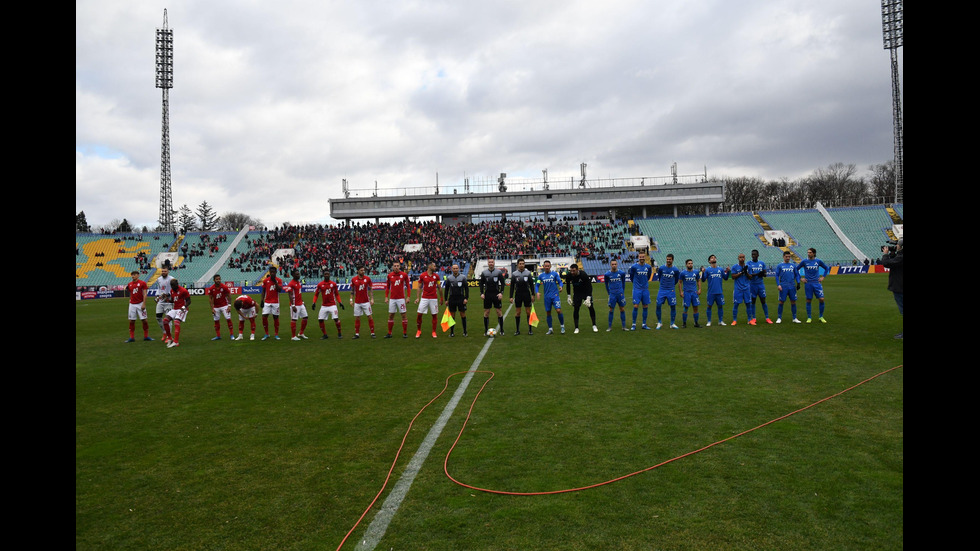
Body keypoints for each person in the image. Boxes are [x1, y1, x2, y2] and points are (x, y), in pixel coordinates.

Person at [797, 248, 830, 323]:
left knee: (821, 299)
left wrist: (823, 277)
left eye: (810, 252)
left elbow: (826, 268)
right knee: (808, 300)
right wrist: (801, 278)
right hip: (808, 283)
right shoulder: (804, 261)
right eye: (808, 252)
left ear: (814, 253)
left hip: (817, 283)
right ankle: (809, 317)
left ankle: (821, 316)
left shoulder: (818, 261)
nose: (808, 254)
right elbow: (796, 269)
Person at [880, 239, 903, 339]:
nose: (896, 246)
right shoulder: (900, 256)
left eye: (897, 245)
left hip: (900, 287)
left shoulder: (901, 257)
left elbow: (887, 263)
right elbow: (894, 262)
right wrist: (893, 252)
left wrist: (885, 254)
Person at [564, 263, 598, 333]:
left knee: (591, 307)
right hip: (577, 293)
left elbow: (589, 286)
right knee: (576, 309)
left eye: (573, 271)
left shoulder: (583, 275)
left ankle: (594, 325)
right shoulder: (569, 275)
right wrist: (569, 296)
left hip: (586, 292)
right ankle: (576, 328)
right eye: (571, 271)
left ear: (577, 270)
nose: (572, 272)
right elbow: (567, 285)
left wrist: (588, 297)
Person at [311, 269, 343, 339]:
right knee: (320, 320)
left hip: (332, 305)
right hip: (324, 305)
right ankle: (325, 335)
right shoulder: (320, 284)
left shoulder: (333, 284)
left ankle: (339, 333)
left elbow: (337, 294)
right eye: (325, 274)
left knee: (336, 319)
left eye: (327, 274)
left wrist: (340, 302)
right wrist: (314, 302)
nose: (326, 275)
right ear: (323, 275)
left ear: (329, 275)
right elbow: (316, 294)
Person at [535, 260, 565, 334]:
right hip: (547, 297)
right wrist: (537, 292)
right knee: (548, 312)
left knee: (558, 310)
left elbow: (560, 281)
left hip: (555, 295)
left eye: (548, 266)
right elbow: (537, 285)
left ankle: (562, 326)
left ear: (550, 266)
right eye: (546, 266)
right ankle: (550, 329)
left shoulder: (554, 274)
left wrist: (561, 286)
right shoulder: (541, 276)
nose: (547, 267)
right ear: (543, 267)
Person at [479, 258, 506, 336]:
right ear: (488, 263)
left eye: (492, 262)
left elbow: (503, 283)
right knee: (486, 313)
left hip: (496, 294)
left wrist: (501, 293)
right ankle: (486, 330)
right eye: (489, 262)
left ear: (494, 263)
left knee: (499, 312)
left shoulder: (498, 272)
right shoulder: (484, 273)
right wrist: (481, 293)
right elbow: (481, 284)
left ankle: (501, 330)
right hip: (487, 295)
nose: (491, 263)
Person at [414, 261, 441, 339]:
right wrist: (417, 297)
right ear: (430, 267)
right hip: (424, 298)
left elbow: (439, 287)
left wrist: (442, 298)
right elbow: (419, 287)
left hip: (434, 298)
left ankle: (434, 331)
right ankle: (419, 330)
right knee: (419, 314)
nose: (435, 267)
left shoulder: (436, 276)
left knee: (434, 315)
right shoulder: (422, 275)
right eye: (434, 266)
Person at [384, 261, 410, 338]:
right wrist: (386, 297)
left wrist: (408, 297)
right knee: (391, 315)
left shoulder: (404, 275)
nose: (396, 267)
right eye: (395, 266)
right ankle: (389, 333)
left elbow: (408, 286)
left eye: (397, 266)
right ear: (392, 267)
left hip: (401, 299)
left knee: (403, 315)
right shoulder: (389, 275)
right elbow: (387, 287)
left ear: (399, 266)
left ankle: (405, 333)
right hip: (392, 299)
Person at [654, 253, 681, 329]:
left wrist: (671, 286)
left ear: (672, 260)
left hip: (671, 290)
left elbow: (676, 280)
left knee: (673, 306)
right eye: (667, 259)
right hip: (662, 289)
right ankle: (659, 322)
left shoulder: (675, 270)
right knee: (658, 305)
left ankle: (672, 323)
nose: (668, 260)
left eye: (670, 259)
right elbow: (659, 277)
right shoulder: (662, 268)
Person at [509, 258, 535, 335]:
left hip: (526, 294)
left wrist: (533, 294)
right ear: (517, 265)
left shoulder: (528, 273)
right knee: (518, 313)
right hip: (518, 294)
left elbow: (531, 285)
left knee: (528, 312)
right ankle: (517, 330)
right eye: (520, 264)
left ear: (524, 264)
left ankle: (530, 330)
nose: (521, 265)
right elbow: (512, 286)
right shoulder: (514, 274)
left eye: (523, 263)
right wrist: (511, 296)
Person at [628, 251, 654, 330]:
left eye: (643, 257)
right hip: (637, 289)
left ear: (645, 257)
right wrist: (636, 285)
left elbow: (649, 276)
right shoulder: (634, 267)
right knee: (636, 306)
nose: (642, 258)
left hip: (645, 289)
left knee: (645, 306)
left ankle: (644, 324)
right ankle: (633, 324)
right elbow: (631, 277)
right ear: (638, 257)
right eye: (640, 257)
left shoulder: (648, 267)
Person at [774, 250, 802, 324]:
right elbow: (776, 275)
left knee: (793, 301)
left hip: (792, 286)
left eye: (789, 257)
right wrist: (778, 284)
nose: (788, 258)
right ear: (783, 257)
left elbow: (796, 274)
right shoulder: (780, 265)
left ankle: (794, 318)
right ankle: (779, 318)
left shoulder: (793, 265)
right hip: (783, 286)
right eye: (786, 257)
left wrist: (798, 283)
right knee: (781, 301)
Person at [442, 263, 470, 337]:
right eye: (454, 268)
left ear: (458, 269)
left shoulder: (463, 277)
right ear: (452, 269)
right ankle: (451, 332)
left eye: (456, 268)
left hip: (461, 298)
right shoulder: (449, 278)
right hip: (452, 299)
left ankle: (465, 331)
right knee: (452, 315)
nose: (455, 269)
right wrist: (446, 299)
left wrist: (466, 298)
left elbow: (466, 289)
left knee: (462, 314)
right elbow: (446, 290)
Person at [125, 270, 152, 342]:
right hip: (132, 304)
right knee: (131, 321)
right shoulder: (130, 284)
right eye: (132, 275)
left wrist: (144, 303)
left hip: (140, 303)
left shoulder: (142, 283)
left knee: (144, 320)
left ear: (138, 275)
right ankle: (131, 337)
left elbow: (145, 294)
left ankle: (146, 336)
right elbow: (131, 293)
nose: (133, 276)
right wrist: (130, 299)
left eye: (134, 274)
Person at [746, 249, 772, 325]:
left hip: (760, 285)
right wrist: (758, 274)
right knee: (753, 301)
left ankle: (767, 318)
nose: (753, 256)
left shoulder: (762, 263)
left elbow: (765, 274)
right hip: (752, 285)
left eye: (755, 254)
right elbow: (749, 275)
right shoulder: (748, 263)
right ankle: (754, 318)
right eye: (752, 254)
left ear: (758, 255)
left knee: (763, 301)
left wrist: (762, 274)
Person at [163, 278, 191, 348]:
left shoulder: (183, 290)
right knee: (165, 321)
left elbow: (189, 301)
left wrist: (184, 307)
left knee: (176, 322)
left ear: (177, 284)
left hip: (182, 309)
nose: (173, 287)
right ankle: (169, 338)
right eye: (171, 285)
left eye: (174, 285)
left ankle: (176, 342)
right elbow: (173, 300)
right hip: (175, 309)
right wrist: (167, 300)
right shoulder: (172, 290)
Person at [350, 265, 376, 338]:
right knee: (357, 318)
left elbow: (370, 289)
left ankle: (372, 333)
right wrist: (351, 300)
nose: (363, 272)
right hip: (357, 302)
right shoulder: (354, 279)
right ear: (358, 271)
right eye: (361, 270)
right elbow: (352, 290)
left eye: (363, 270)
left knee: (369, 316)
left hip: (366, 302)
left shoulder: (367, 278)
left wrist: (372, 298)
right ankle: (357, 334)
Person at [701, 255, 728, 326]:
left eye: (714, 257)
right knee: (709, 306)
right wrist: (703, 272)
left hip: (719, 291)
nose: (713, 258)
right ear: (709, 261)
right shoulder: (707, 270)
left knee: (720, 306)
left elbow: (725, 278)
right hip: (711, 292)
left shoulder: (720, 269)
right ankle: (709, 321)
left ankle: (720, 321)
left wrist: (728, 271)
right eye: (711, 258)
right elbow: (703, 280)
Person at [206, 274, 235, 341]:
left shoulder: (224, 287)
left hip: (224, 306)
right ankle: (218, 336)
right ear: (214, 280)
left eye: (219, 279)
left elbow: (229, 296)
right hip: (216, 307)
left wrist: (229, 305)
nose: (218, 280)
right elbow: (210, 298)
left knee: (228, 319)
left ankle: (232, 335)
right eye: (217, 279)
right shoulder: (211, 288)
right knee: (216, 321)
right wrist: (212, 308)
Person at [604, 259, 629, 331]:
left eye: (615, 264)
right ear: (610, 265)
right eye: (612, 264)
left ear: (617, 264)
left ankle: (624, 326)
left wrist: (622, 291)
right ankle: (609, 327)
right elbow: (606, 284)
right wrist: (609, 293)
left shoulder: (621, 273)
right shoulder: (607, 274)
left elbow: (623, 283)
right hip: (612, 294)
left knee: (622, 309)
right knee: (611, 309)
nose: (614, 265)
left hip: (620, 294)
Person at [260, 266, 284, 340]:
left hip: (275, 302)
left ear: (276, 272)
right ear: (269, 272)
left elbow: (279, 290)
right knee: (264, 317)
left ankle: (276, 334)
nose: (272, 273)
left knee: (275, 318)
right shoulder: (265, 281)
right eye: (271, 272)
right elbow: (263, 291)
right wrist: (262, 300)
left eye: (273, 272)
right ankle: (266, 334)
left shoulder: (279, 280)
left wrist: (275, 282)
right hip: (267, 302)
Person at [285, 269, 309, 340]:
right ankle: (293, 336)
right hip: (295, 305)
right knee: (294, 319)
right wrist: (293, 305)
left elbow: (299, 294)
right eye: (297, 274)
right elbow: (290, 295)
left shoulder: (298, 282)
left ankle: (301, 333)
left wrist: (303, 302)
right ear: (293, 275)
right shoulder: (291, 283)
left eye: (299, 274)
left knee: (305, 317)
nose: (298, 275)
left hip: (300, 304)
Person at [154, 264, 176, 342]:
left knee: (168, 319)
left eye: (165, 271)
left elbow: (174, 290)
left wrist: (167, 295)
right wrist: (157, 296)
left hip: (168, 302)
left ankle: (169, 337)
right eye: (162, 271)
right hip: (161, 301)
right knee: (158, 317)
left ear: (168, 271)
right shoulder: (159, 279)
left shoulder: (171, 279)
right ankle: (164, 332)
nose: (163, 272)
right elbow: (159, 289)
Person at [679, 259, 702, 328]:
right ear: (686, 265)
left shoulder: (696, 272)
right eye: (689, 263)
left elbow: (698, 280)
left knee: (695, 307)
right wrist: (680, 292)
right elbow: (680, 282)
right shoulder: (683, 273)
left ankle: (696, 323)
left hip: (694, 293)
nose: (690, 264)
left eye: (691, 263)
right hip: (686, 293)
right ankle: (684, 323)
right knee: (686, 308)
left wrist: (700, 289)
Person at [730, 253, 751, 326]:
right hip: (738, 289)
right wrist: (741, 273)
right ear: (738, 258)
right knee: (736, 304)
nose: (742, 258)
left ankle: (749, 320)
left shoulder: (748, 267)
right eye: (740, 257)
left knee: (748, 304)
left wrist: (746, 272)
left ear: (745, 258)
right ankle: (734, 320)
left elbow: (750, 277)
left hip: (746, 288)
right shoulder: (735, 267)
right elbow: (732, 276)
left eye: (743, 257)